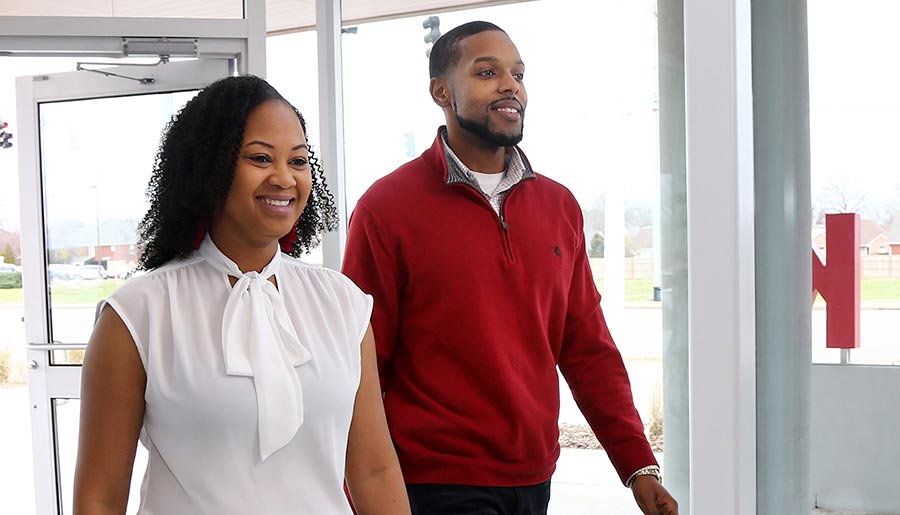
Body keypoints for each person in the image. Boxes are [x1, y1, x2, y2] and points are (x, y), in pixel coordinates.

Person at [342, 21, 678, 515]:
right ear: (441, 91)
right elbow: (361, 365)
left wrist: (637, 464)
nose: (510, 85)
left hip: (534, 476)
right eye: (486, 72)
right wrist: (364, 490)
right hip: (433, 480)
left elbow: (587, 347)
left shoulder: (558, 206)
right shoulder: (387, 208)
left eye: (518, 74)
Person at [73, 75, 410, 515]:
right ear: (209, 168)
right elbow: (100, 495)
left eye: (299, 160)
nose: (284, 178)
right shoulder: (138, 314)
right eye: (260, 158)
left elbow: (372, 471)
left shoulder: (343, 304)